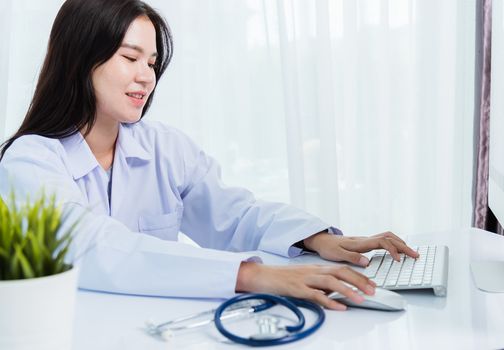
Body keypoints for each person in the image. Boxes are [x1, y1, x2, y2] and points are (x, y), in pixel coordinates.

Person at [0, 0, 418, 310]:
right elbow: (92, 249)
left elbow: (234, 215)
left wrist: (318, 239)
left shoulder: (164, 146)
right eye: (130, 57)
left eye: (152, 62)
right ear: (80, 59)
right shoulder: (30, 162)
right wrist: (252, 275)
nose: (146, 76)